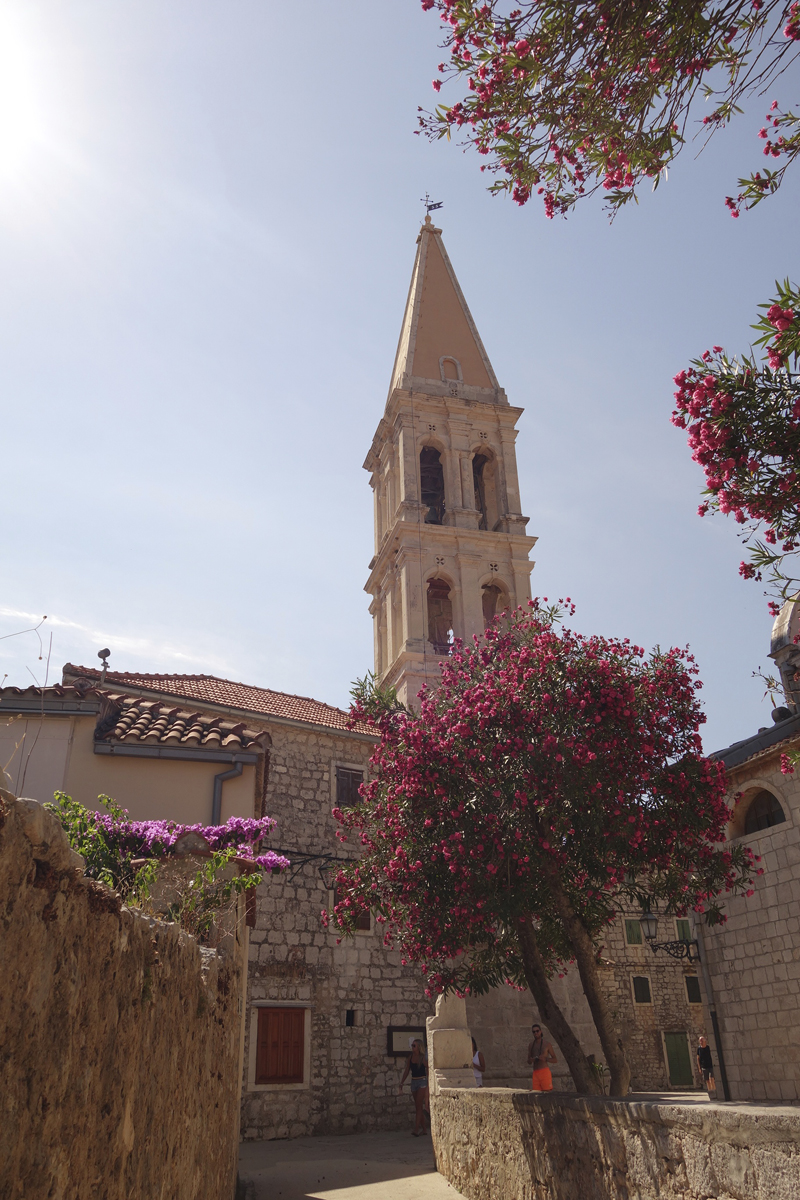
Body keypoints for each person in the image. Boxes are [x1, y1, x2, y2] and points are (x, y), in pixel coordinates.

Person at [399, 1038, 429, 1135]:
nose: (412, 1047)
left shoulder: (422, 1057)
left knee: (419, 1104)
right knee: (418, 1106)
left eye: (414, 1045)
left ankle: (416, 1129)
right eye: (412, 1045)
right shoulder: (410, 1057)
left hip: (422, 1081)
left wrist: (428, 1082)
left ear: (418, 1047)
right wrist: (402, 1082)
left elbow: (427, 1068)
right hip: (414, 1081)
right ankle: (424, 1129)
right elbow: (407, 1070)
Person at [527, 1022, 557, 1092]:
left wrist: (546, 1059)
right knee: (536, 1095)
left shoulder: (547, 1044)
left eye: (537, 1031)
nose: (536, 1033)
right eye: (534, 1032)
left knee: (547, 1094)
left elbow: (555, 1059)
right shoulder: (531, 1045)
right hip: (535, 1073)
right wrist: (531, 1060)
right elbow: (528, 1061)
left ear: (540, 1031)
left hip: (544, 1072)